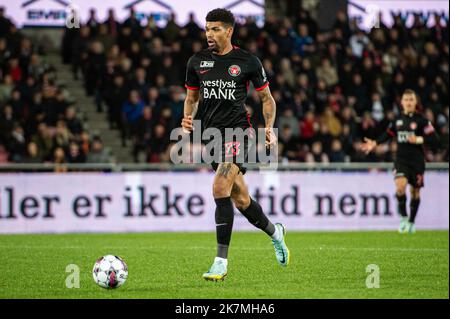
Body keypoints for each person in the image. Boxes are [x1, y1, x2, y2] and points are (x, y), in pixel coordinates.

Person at [182, 8, 290, 282]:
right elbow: (192, 99)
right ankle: (276, 233)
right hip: (212, 137)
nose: (209, 34)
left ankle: (220, 262)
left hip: (239, 134)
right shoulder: (197, 62)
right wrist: (187, 118)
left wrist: (268, 128)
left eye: (215, 29)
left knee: (219, 187)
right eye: (207, 28)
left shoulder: (248, 61)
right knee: (240, 199)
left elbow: (267, 98)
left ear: (229, 31)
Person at [361, 89, 439, 234]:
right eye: (406, 100)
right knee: (400, 186)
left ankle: (411, 222)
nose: (408, 102)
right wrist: (375, 143)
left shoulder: (422, 121)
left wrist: (419, 139)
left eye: (411, 100)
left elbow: (436, 141)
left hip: (417, 162)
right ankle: (404, 217)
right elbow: (388, 134)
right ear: (402, 102)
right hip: (401, 160)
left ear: (415, 102)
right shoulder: (397, 120)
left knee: (415, 192)